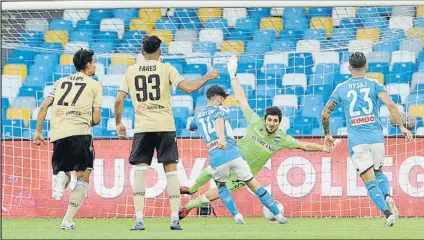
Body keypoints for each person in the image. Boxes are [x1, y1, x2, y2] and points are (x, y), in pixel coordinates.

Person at [179, 55, 335, 219]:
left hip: (244, 173)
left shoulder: (283, 139)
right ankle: (192, 189)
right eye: (269, 120)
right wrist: (233, 76)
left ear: (279, 123)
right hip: (231, 157)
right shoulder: (255, 121)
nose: (272, 123)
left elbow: (304, 146)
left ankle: (188, 206)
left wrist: (324, 148)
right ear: (265, 119)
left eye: (275, 121)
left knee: (215, 193)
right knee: (209, 170)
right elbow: (242, 100)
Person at [114, 35, 219, 231]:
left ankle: (139, 220)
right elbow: (188, 88)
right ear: (160, 51)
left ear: (142, 52)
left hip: (143, 127)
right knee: (171, 171)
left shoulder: (131, 71)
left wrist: (119, 122)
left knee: (140, 172)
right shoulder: (166, 68)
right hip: (165, 126)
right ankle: (174, 218)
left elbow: (119, 100)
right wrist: (206, 77)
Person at [321, 52, 413, 226]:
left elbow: (325, 113)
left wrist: (327, 133)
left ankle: (387, 214)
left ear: (349, 68)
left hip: (357, 142)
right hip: (377, 138)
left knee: (369, 181)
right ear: (366, 66)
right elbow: (391, 105)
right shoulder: (375, 84)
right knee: (378, 173)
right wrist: (401, 127)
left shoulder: (342, 87)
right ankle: (387, 196)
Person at [194, 84, 287, 224]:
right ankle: (279, 216)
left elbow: (196, 126)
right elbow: (220, 122)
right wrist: (221, 137)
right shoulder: (221, 110)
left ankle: (237, 216)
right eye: (223, 99)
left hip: (216, 155)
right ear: (218, 99)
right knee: (254, 184)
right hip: (233, 153)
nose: (224, 102)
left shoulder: (198, 115)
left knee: (221, 187)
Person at [33, 49, 102, 230]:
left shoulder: (59, 82)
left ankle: (62, 175)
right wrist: (80, 120)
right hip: (80, 133)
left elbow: (43, 106)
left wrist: (38, 132)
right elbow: (96, 119)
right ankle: (67, 220)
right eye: (94, 62)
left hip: (59, 134)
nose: (95, 65)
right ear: (87, 65)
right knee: (83, 176)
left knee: (65, 172)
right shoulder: (94, 85)